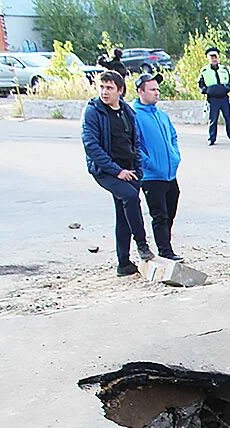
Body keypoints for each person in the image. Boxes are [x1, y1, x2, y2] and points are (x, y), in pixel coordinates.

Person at [81, 70, 153, 276]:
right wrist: (116, 170)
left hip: (128, 169)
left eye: (109, 88)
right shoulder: (93, 111)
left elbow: (135, 142)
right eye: (102, 87)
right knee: (130, 198)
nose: (104, 92)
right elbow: (91, 146)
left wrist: (137, 170)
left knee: (124, 214)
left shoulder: (127, 111)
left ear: (120, 91)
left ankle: (123, 263)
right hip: (105, 170)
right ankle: (142, 244)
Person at [131, 72, 183, 261]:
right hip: (152, 176)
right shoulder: (134, 115)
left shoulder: (162, 115)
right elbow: (134, 145)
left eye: (157, 89)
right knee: (159, 214)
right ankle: (165, 251)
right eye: (152, 89)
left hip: (169, 173)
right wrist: (149, 164)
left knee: (170, 210)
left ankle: (165, 244)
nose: (157, 93)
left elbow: (173, 137)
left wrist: (176, 156)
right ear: (140, 91)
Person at [198, 46, 230, 145]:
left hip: (224, 98)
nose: (214, 59)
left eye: (215, 57)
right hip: (213, 99)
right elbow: (200, 84)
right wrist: (207, 91)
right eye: (212, 57)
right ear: (208, 58)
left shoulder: (223, 69)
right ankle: (211, 139)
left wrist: (227, 88)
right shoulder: (205, 71)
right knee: (213, 119)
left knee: (228, 118)